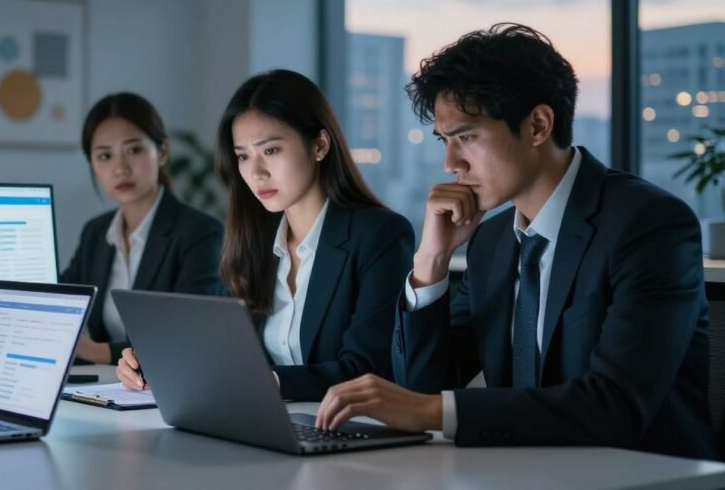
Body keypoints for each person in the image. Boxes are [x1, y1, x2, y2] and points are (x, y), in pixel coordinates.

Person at [314, 23, 713, 459]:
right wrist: (432, 260)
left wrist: (430, 410)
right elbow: (422, 387)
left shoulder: (648, 225)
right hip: (520, 471)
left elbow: (615, 406)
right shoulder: (492, 241)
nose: (450, 163)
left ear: (538, 125)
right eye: (444, 141)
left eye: (466, 137)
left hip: (642, 475)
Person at [118, 69, 414, 401]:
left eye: (270, 151)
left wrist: (268, 382)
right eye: (243, 156)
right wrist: (155, 360)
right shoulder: (254, 243)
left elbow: (366, 369)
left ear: (319, 144)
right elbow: (220, 350)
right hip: (270, 424)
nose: (256, 172)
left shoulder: (379, 236)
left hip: (350, 432)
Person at [61, 92, 224, 365]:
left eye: (134, 150)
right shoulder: (95, 233)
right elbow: (60, 303)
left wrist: (97, 352)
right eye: (105, 156)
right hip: (111, 387)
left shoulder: (201, 233)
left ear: (161, 152)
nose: (120, 168)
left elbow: (188, 335)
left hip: (174, 386)